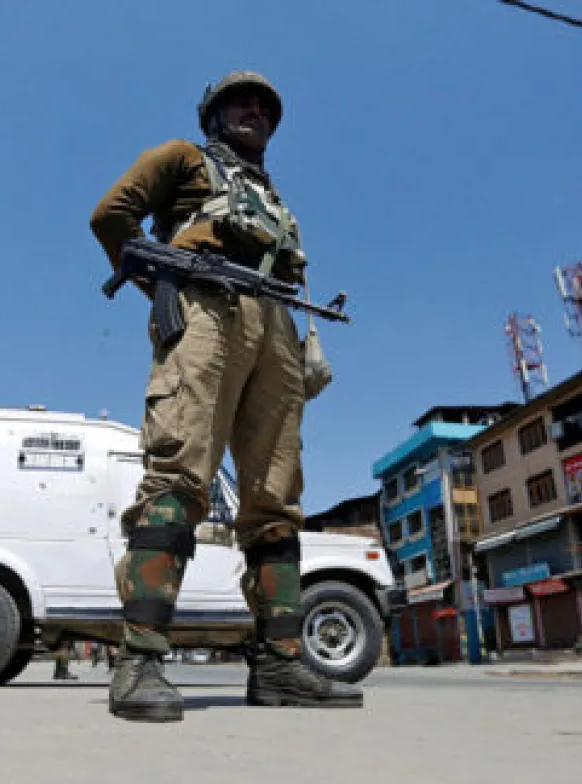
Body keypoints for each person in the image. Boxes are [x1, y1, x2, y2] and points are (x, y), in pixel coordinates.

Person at [89, 70, 363, 722]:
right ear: (213, 115)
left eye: (265, 107)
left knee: (275, 499)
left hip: (276, 325)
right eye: (240, 102)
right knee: (180, 472)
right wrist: (160, 282)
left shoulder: (273, 200)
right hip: (206, 308)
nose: (254, 111)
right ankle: (141, 661)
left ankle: (280, 665)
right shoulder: (183, 158)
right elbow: (112, 216)